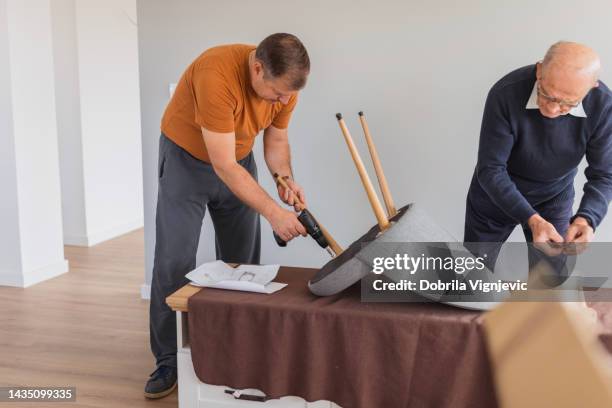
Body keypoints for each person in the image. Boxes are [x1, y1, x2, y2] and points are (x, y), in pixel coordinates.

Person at [145, 33, 310, 399]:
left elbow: (277, 141)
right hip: (187, 161)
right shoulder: (215, 74)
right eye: (279, 93)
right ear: (257, 68)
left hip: (238, 159)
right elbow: (222, 164)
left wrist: (285, 180)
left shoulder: (286, 86)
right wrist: (273, 212)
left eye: (290, 95)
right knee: (174, 261)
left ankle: (237, 348)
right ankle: (168, 359)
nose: (285, 100)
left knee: (243, 262)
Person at [464, 41, 612, 276]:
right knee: (473, 277)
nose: (553, 110)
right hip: (495, 194)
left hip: (554, 197)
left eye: (568, 104)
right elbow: (491, 169)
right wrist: (531, 219)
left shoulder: (603, 105)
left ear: (590, 88)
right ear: (539, 70)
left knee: (551, 278)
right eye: (547, 95)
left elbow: (604, 174)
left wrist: (587, 219)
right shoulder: (505, 93)